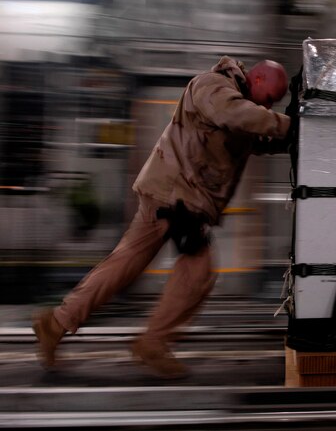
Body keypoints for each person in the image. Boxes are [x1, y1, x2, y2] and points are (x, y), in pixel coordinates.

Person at [32, 56, 292, 379]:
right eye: (270, 98)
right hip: (178, 196)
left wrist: (292, 138)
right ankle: (153, 342)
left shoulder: (239, 104)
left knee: (124, 264)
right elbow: (238, 115)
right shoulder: (213, 87)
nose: (270, 105)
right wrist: (288, 124)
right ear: (257, 80)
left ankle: (56, 323)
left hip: (172, 194)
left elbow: (255, 137)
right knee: (197, 274)